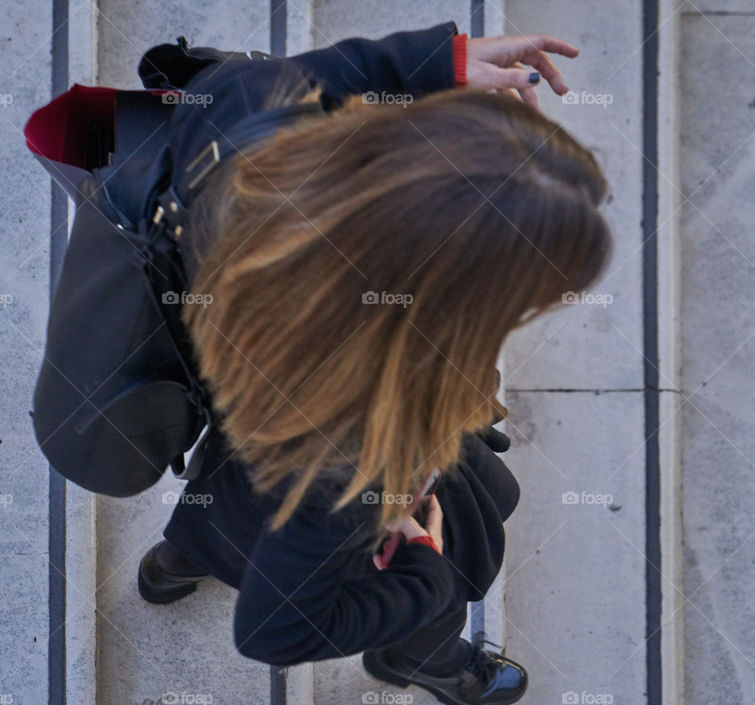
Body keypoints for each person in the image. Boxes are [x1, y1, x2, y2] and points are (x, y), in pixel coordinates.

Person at [134, 21, 611, 705]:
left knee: (231, 498)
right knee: (454, 542)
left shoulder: (262, 156)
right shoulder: (360, 451)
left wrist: (425, 62)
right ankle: (423, 657)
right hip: (324, 462)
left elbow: (258, 84)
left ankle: (174, 561)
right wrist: (425, 579)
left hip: (238, 389)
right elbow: (274, 628)